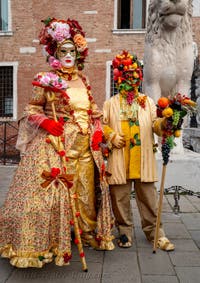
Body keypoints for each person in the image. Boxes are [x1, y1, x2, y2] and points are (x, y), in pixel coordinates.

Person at [0, 17, 114, 268]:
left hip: (86, 146)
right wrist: (45, 122)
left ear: (78, 53)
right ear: (54, 53)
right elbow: (31, 109)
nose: (68, 55)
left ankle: (84, 232)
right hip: (58, 144)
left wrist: (98, 131)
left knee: (86, 190)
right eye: (63, 51)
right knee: (56, 193)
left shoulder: (83, 80)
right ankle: (56, 237)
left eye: (72, 51)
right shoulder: (46, 79)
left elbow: (93, 112)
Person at [102, 50, 175, 250]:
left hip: (143, 160)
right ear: (119, 78)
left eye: (135, 75)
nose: (131, 80)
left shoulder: (148, 102)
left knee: (149, 200)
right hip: (119, 160)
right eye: (126, 75)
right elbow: (101, 126)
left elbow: (155, 126)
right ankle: (124, 233)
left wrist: (166, 122)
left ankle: (156, 234)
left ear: (139, 77)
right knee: (120, 199)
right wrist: (111, 136)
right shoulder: (110, 103)